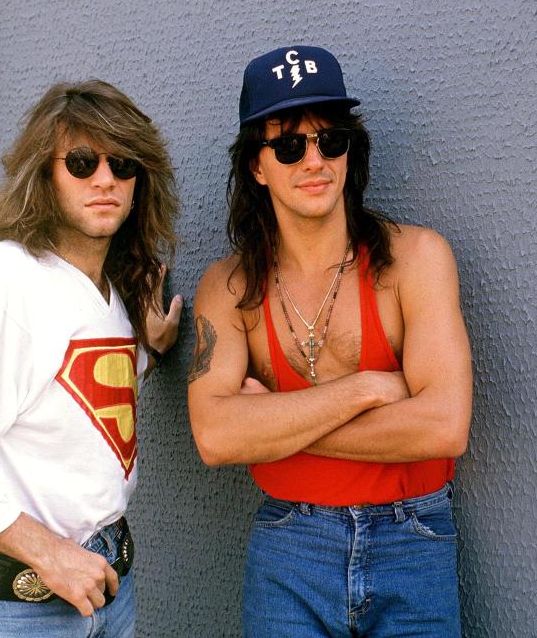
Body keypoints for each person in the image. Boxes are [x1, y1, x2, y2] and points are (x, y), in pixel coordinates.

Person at [188, 46, 472, 637]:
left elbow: (444, 426)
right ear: (256, 167)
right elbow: (215, 437)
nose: (314, 161)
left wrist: (270, 424)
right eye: (289, 146)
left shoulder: (416, 259)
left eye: (331, 140)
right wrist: (366, 389)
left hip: (412, 539)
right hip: (289, 546)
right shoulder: (229, 286)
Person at [0, 80, 181, 637]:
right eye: (80, 161)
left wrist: (150, 345)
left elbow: (78, 399)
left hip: (109, 588)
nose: (105, 178)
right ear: (42, 174)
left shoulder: (110, 292)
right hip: (20, 610)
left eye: (123, 164)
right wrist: (51, 554)